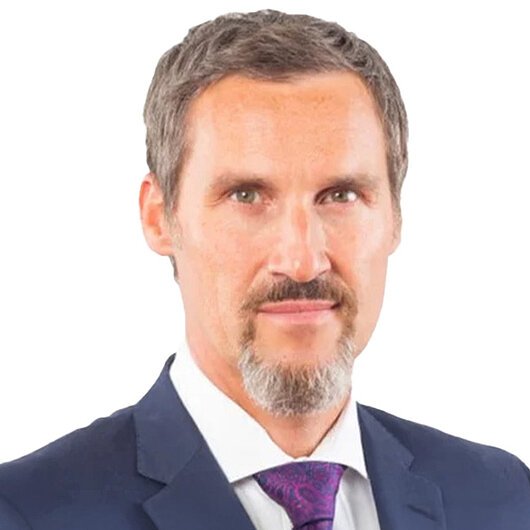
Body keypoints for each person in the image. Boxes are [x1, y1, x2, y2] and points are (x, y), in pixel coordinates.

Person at [0, 9, 528, 530]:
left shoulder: (502, 499)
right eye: (247, 195)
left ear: (395, 217)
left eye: (341, 195)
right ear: (159, 217)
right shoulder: (28, 513)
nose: (302, 260)